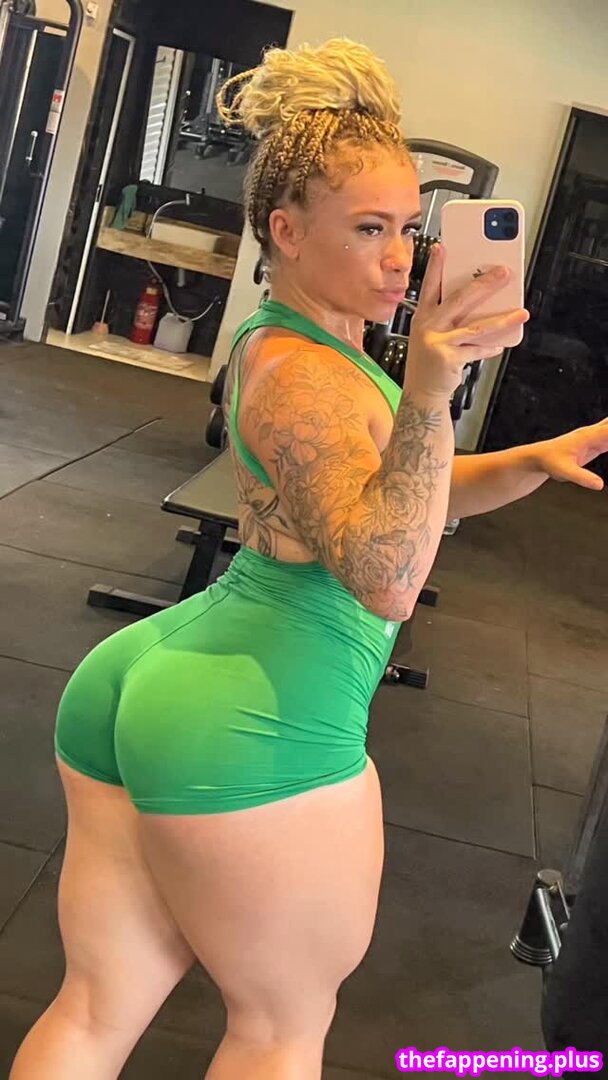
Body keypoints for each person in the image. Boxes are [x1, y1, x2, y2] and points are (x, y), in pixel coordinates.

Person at [11, 37, 607, 1080]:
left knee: (98, 1009)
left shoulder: (304, 346)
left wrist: (528, 460)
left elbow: (392, 496)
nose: (400, 257)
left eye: (409, 228)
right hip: (259, 715)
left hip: (166, 678)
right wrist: (432, 391)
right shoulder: (303, 372)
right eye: (369, 228)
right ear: (285, 231)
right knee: (280, 1029)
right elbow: (389, 575)